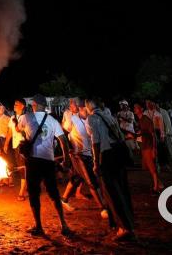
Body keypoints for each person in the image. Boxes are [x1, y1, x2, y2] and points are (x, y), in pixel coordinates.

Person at [15, 94, 72, 238]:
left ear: (33, 104)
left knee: (34, 194)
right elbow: (63, 140)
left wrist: (17, 121)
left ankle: (39, 226)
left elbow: (17, 129)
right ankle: (63, 224)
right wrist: (66, 160)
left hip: (33, 161)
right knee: (53, 193)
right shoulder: (52, 120)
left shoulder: (25, 117)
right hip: (48, 160)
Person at [86, 98, 135, 241]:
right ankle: (124, 222)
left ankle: (124, 228)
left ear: (89, 107)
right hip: (118, 153)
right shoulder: (108, 114)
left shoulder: (92, 118)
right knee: (122, 188)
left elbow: (96, 142)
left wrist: (95, 162)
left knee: (112, 192)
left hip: (107, 155)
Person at [60, 98, 107, 218]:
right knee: (91, 181)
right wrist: (69, 149)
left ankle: (64, 200)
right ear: (80, 108)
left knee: (76, 178)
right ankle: (103, 208)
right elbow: (63, 134)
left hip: (88, 154)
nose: (89, 111)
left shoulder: (87, 119)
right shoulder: (72, 119)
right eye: (86, 108)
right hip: (79, 155)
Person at [133, 103, 163, 193]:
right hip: (145, 146)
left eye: (136, 108)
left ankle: (156, 188)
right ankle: (159, 184)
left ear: (141, 109)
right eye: (134, 108)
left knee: (152, 167)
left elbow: (153, 135)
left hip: (149, 146)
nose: (134, 109)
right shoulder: (140, 120)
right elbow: (142, 133)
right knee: (149, 167)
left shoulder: (146, 120)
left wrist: (154, 148)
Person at [5, 98, 30, 200]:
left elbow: (21, 131)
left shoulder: (26, 117)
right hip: (15, 145)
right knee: (22, 168)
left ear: (22, 106)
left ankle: (21, 192)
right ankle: (27, 189)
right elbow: (10, 132)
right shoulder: (12, 118)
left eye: (17, 104)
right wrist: (6, 144)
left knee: (23, 168)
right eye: (14, 104)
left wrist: (16, 123)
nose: (14, 105)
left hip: (23, 145)